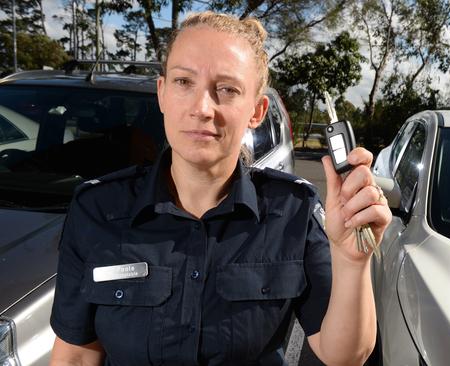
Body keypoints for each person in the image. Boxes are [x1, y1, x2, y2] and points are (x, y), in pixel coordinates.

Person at [49, 11, 391, 366]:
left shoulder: (293, 211)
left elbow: (344, 355)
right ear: (162, 93)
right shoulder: (97, 209)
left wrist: (353, 261)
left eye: (227, 89)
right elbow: (75, 355)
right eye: (184, 82)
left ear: (257, 111)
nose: (202, 108)